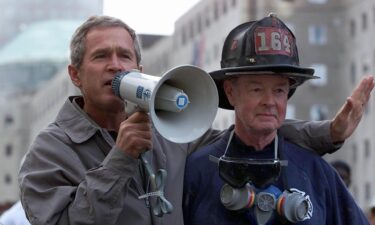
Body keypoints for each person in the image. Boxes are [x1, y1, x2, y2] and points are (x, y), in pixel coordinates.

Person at [18, 15, 372, 225]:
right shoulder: (49, 154)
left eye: (124, 55)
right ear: (75, 74)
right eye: (101, 56)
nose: (116, 65)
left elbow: (246, 130)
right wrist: (120, 160)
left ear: (139, 70)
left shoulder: (171, 133)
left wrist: (327, 132)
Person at [183, 14, 371, 225]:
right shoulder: (196, 171)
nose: (269, 101)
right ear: (230, 92)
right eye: (256, 89)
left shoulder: (317, 173)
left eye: (279, 90)